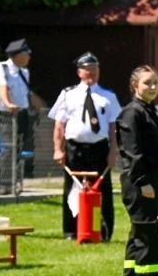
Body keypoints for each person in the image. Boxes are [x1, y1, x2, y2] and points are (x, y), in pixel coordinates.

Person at [117, 65, 158, 276]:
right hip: (139, 182)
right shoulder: (132, 113)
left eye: (155, 83)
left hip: (153, 180)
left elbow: (157, 152)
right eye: (147, 83)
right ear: (135, 86)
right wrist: (143, 183)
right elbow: (132, 152)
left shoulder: (149, 111)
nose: (152, 87)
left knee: (139, 234)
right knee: (148, 235)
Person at [49, 52, 120, 240]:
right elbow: (59, 125)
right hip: (75, 149)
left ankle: (103, 232)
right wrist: (58, 149)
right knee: (72, 189)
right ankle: (71, 231)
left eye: (95, 69)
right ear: (79, 72)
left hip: (99, 149)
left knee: (103, 189)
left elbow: (113, 128)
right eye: (87, 69)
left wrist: (113, 152)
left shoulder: (108, 96)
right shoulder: (68, 94)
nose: (91, 72)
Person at [0, 39, 37, 179]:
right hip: (6, 115)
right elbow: (1, 86)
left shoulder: (24, 72)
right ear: (18, 55)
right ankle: (3, 179)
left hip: (22, 114)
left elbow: (25, 93)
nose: (29, 57)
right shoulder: (1, 67)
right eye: (27, 54)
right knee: (8, 146)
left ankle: (13, 177)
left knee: (18, 146)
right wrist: (8, 103)